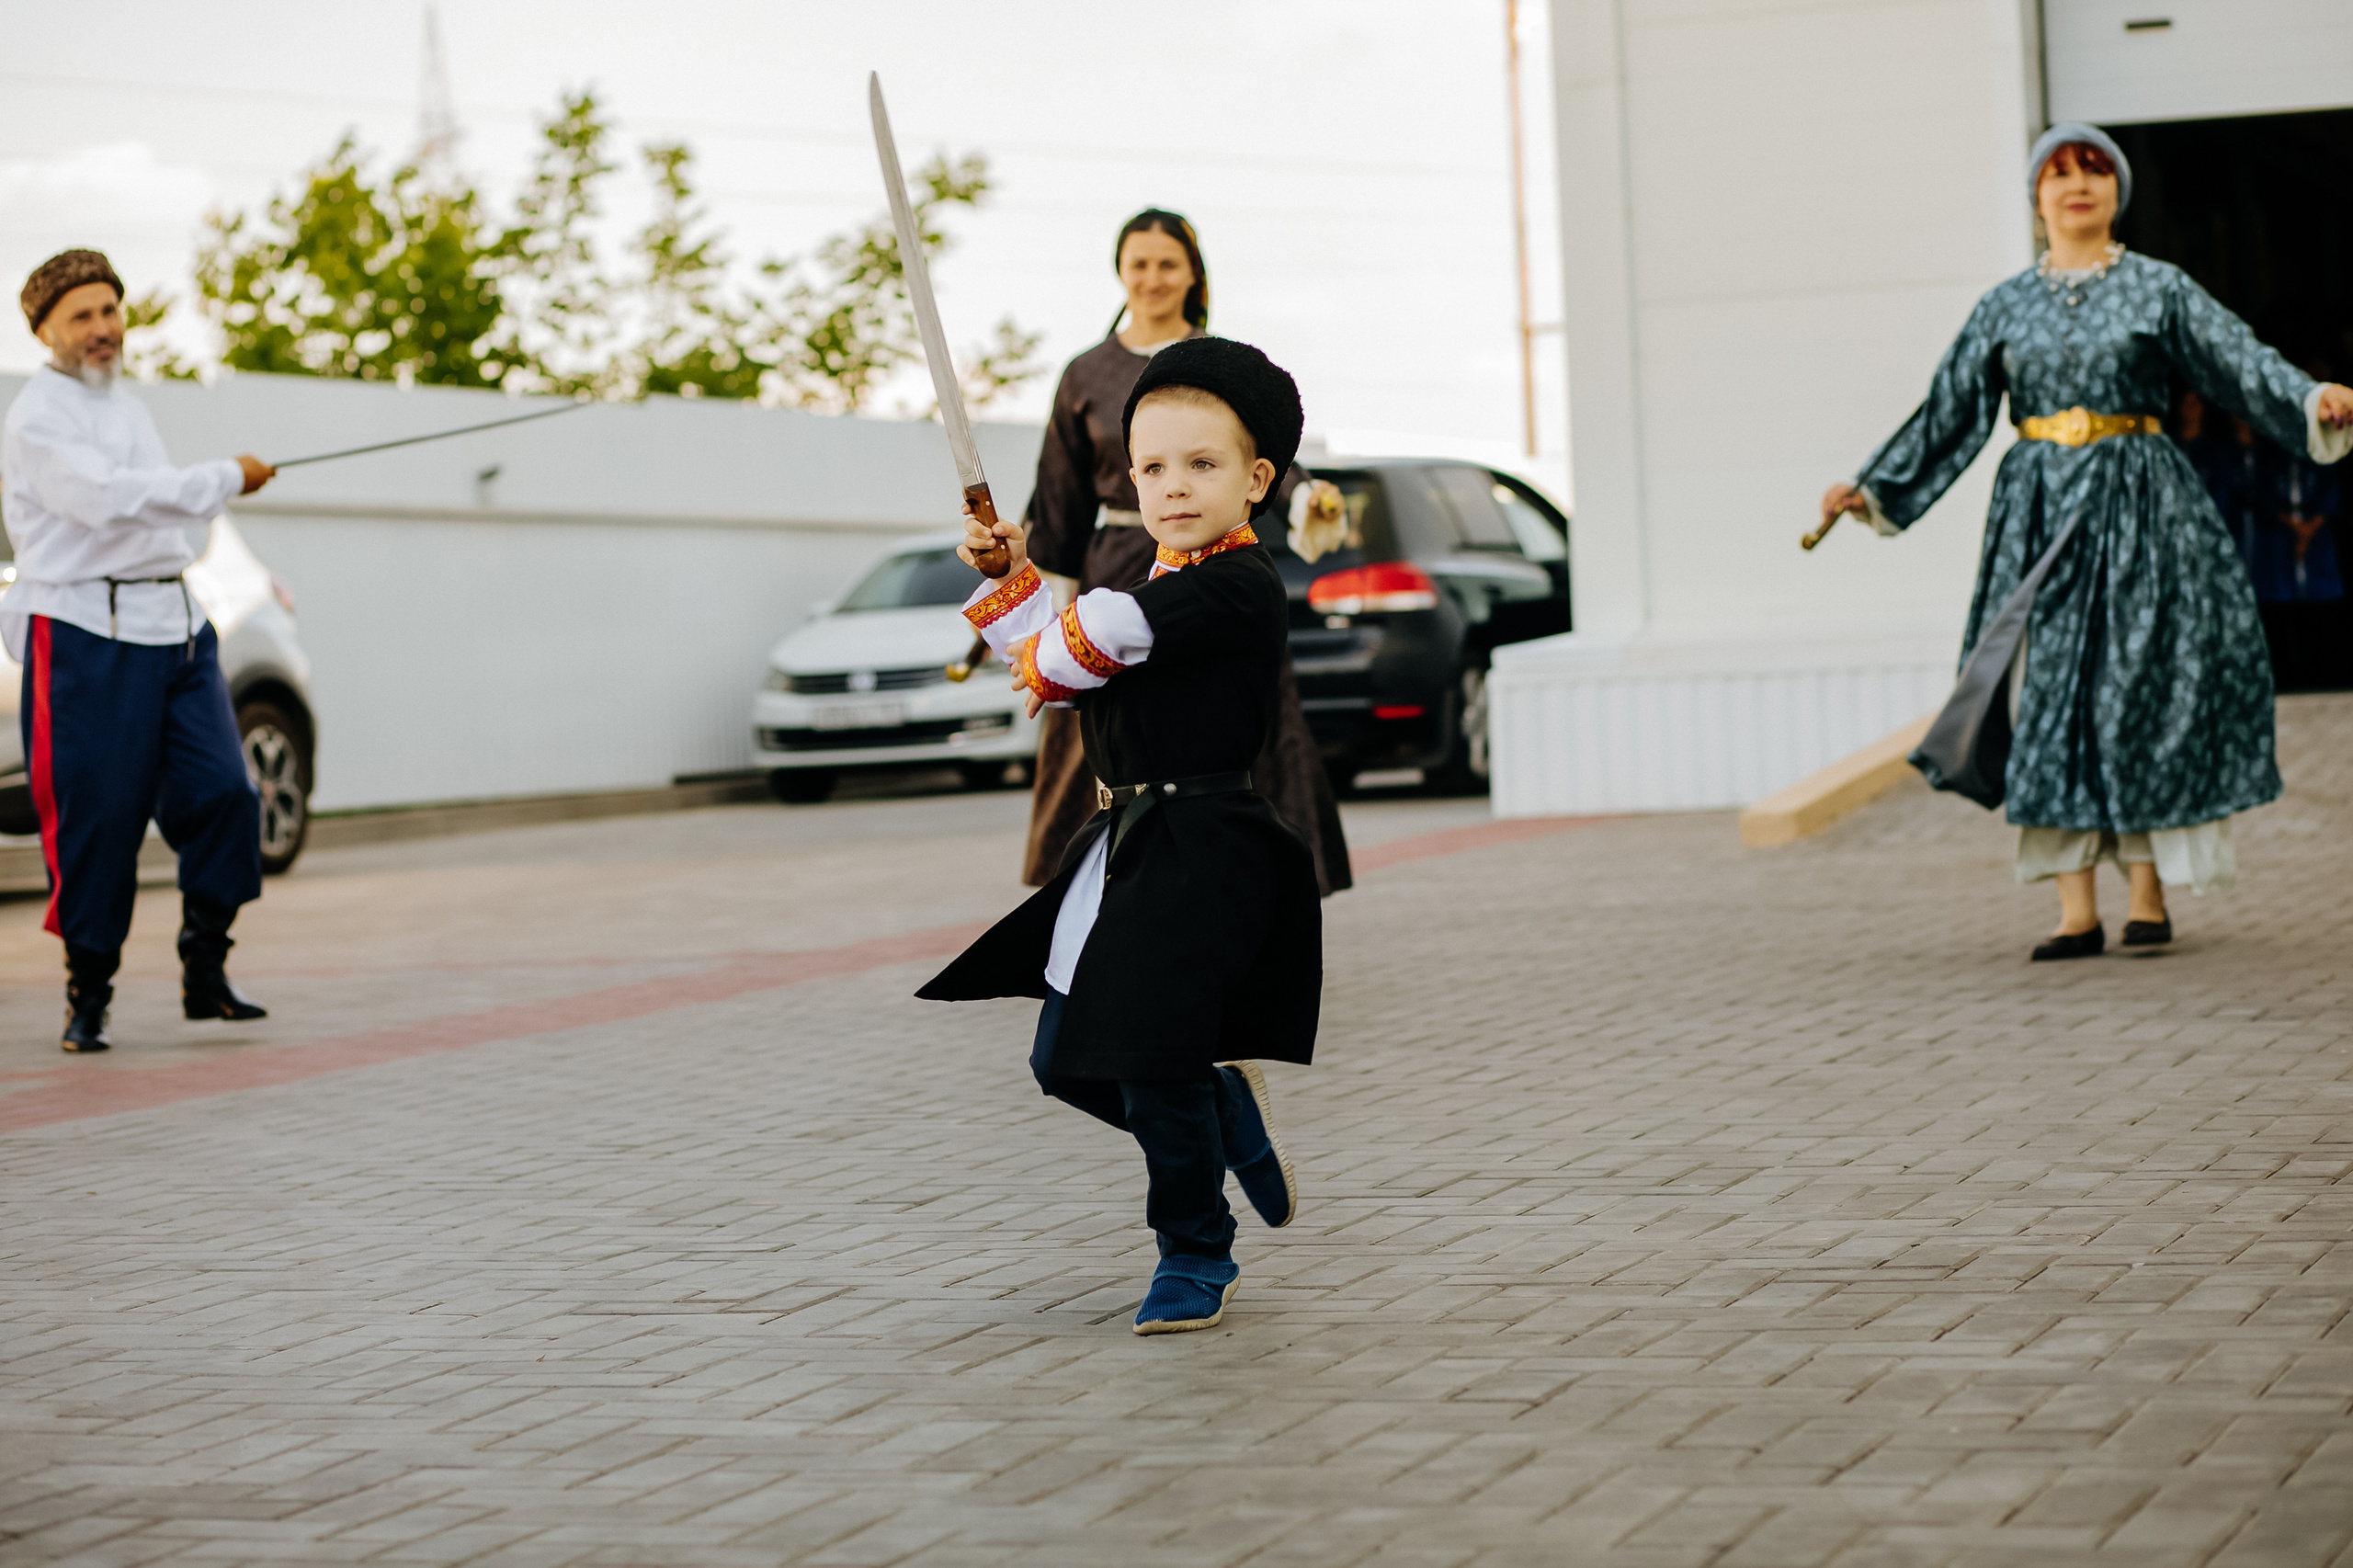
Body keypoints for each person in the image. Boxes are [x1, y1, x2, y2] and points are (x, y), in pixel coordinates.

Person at [1821, 125, 2353, 961]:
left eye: (2095, 172)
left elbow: (2235, 359)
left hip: (2142, 503)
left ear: (2116, 193)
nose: (2078, 185)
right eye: (2060, 173)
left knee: (2135, 682)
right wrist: (1876, 486)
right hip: (2036, 514)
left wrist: (2310, 397)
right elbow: (1949, 410)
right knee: (2047, 693)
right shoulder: (2003, 306)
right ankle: (2075, 909)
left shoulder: (2158, 288)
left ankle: (2146, 897)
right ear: (2036, 198)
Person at [919, 338, 1321, 1335]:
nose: (1173, 487)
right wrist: (1013, 572)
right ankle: (1219, 1106)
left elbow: (1063, 656)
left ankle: (1195, 1247)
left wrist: (1040, 612)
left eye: (1201, 465)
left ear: (1256, 478)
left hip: (1205, 848)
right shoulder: (1150, 588)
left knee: (1145, 1054)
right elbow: (1047, 657)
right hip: (1130, 839)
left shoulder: (1232, 585)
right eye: (1151, 468)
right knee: (1062, 1056)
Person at [1020, 209, 1350, 896]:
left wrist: (1306, 493)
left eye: (1167, 263)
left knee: (1236, 716)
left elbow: (1246, 458)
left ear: (1192, 273)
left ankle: (1263, 886)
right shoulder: (1085, 373)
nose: (1152, 278)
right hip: (1118, 563)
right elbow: (1059, 492)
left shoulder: (1216, 360)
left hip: (1216, 562)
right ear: (1120, 271)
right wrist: (1027, 579)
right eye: (1138, 264)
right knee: (1107, 718)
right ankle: (1094, 889)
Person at [4, 250, 275, 1051]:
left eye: (110, 311)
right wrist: (225, 475)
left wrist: (203, 499)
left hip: (175, 626)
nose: (102, 329)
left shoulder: (125, 404)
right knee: (98, 817)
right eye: (81, 315)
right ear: (44, 329)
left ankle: (205, 966)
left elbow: (161, 516)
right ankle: (88, 995)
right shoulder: (38, 415)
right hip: (86, 632)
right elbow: (102, 500)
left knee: (226, 793)